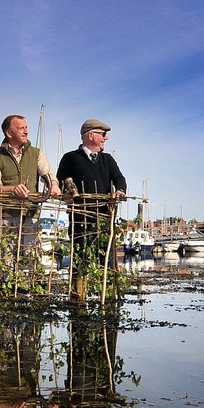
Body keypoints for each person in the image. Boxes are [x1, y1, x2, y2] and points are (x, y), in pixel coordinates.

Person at [56, 119, 127, 288]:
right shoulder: (70, 158)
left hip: (103, 219)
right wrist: (66, 194)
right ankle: (78, 302)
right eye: (103, 134)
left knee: (107, 262)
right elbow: (59, 183)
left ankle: (109, 299)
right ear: (90, 135)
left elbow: (119, 178)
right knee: (80, 261)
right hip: (80, 219)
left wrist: (120, 190)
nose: (106, 138)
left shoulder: (107, 159)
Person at [0, 114, 60, 269]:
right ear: (9, 133)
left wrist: (53, 185)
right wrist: (12, 189)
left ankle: (29, 292)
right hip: (5, 215)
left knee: (31, 258)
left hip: (30, 214)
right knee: (7, 260)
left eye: (26, 128)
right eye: (21, 128)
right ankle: (8, 291)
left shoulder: (36, 153)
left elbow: (49, 176)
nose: (26, 131)